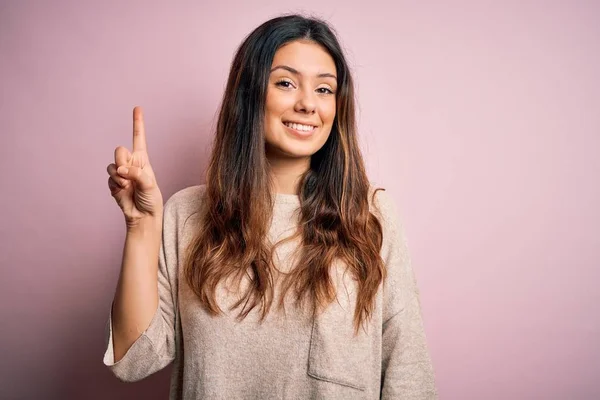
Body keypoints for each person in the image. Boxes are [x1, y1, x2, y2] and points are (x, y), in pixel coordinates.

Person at [103, 14, 437, 400]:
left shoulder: (370, 215)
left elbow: (408, 372)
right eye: (286, 83)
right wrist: (140, 226)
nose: (308, 104)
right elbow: (133, 360)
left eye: (325, 90)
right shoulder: (187, 214)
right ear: (249, 95)